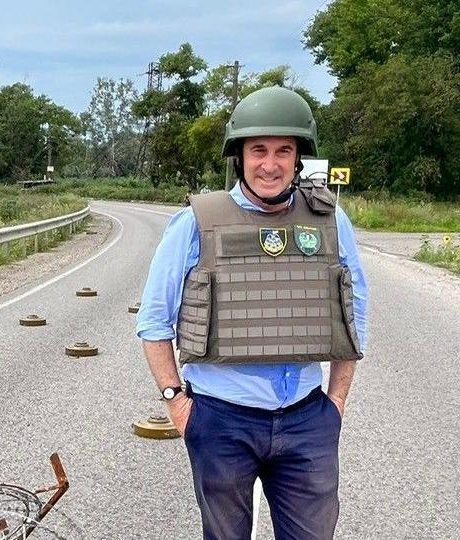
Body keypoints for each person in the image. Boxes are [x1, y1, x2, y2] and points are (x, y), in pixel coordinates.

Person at [136, 86, 368, 540]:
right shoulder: (195, 223)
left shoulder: (329, 221)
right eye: (258, 149)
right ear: (239, 157)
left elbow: (353, 314)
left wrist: (335, 404)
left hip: (306, 418)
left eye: (284, 150)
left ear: (299, 157)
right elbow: (153, 322)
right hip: (221, 419)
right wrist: (177, 405)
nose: (270, 164)